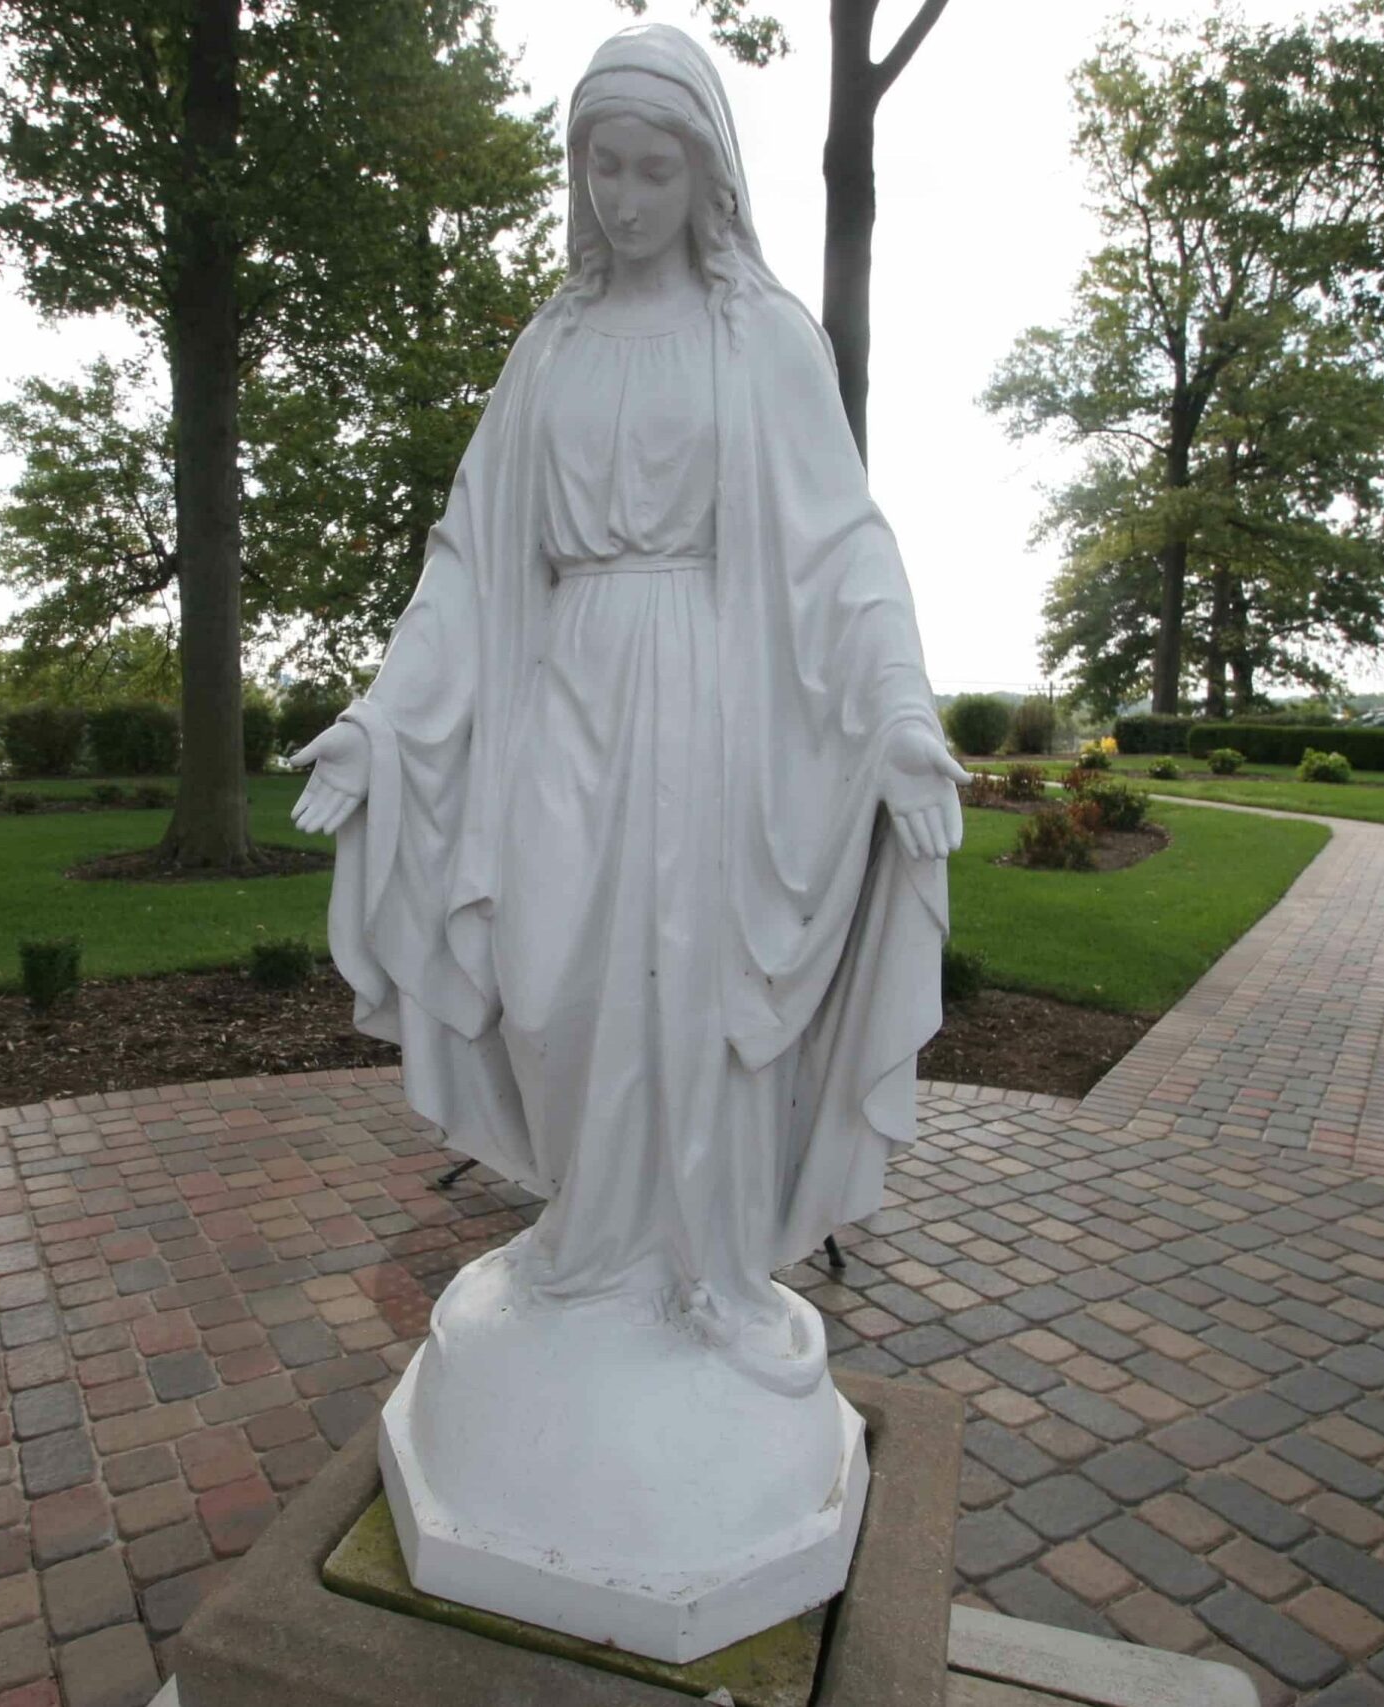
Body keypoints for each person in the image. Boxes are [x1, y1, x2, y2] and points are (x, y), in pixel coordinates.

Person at [290, 22, 962, 1397]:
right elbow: (471, 563)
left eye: (655, 168)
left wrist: (898, 712)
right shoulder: (549, 349)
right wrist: (382, 718)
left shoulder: (764, 340)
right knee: (552, 975)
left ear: (706, 173)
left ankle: (702, 1269)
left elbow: (844, 551)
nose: (626, 197)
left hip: (707, 702)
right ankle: (589, 1236)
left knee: (688, 975)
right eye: (604, 167)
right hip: (561, 696)